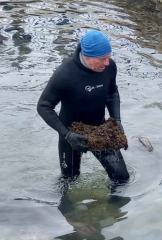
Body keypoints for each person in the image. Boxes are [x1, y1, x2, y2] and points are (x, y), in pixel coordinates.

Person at [37, 30, 130, 183]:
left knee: (122, 179)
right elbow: (43, 106)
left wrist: (116, 120)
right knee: (69, 181)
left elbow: (112, 94)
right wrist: (67, 135)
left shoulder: (109, 67)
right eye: (102, 59)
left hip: (101, 131)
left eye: (108, 57)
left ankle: (108, 207)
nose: (107, 63)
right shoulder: (65, 74)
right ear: (87, 57)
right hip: (71, 134)